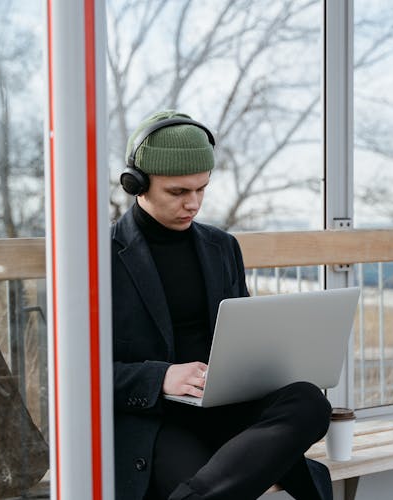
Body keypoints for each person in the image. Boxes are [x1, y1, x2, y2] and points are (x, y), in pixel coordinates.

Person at [111, 110, 332, 500]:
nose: (192, 204)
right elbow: (77, 374)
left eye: (201, 189)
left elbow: (242, 336)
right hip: (157, 419)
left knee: (310, 401)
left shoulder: (221, 247)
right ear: (137, 184)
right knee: (208, 478)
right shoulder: (101, 257)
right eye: (178, 192)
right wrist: (161, 377)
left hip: (225, 405)